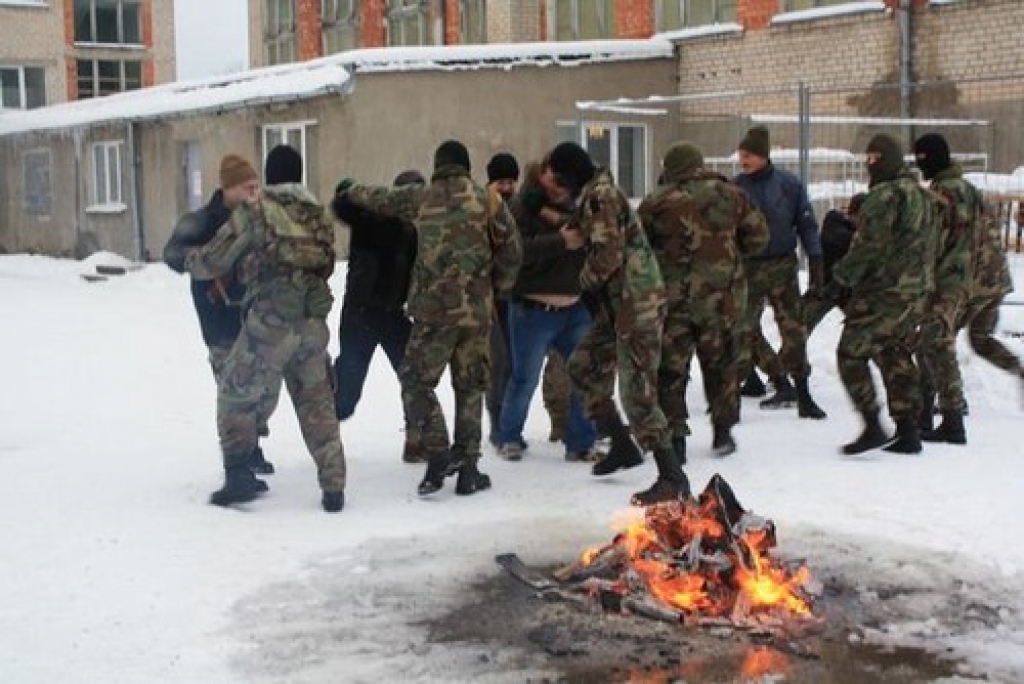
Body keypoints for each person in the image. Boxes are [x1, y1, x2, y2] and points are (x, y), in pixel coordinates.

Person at [339, 140, 522, 497]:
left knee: (415, 381)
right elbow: (512, 250)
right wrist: (495, 287)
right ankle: (469, 469)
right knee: (470, 387)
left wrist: (350, 190)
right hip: (475, 313)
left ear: (438, 166)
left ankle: (437, 450)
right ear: (466, 167)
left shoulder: (422, 197)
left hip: (434, 313)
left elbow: (382, 199)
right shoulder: (489, 201)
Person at [185, 145, 348, 512]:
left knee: (233, 393)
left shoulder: (256, 210)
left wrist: (190, 259)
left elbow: (215, 258)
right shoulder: (317, 214)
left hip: (269, 325)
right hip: (311, 323)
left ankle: (238, 474)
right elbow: (326, 265)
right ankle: (334, 486)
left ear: (269, 175)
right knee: (317, 403)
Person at [551, 142, 688, 506]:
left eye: (557, 175)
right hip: (619, 305)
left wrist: (581, 281)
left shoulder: (600, 197)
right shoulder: (594, 197)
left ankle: (672, 476)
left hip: (636, 304)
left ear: (569, 173)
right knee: (582, 365)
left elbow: (608, 254)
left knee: (636, 391)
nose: (554, 182)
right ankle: (622, 443)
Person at [640, 141, 769, 459]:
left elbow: (639, 247)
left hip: (675, 301)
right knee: (722, 363)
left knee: (671, 369)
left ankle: (676, 437)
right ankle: (723, 431)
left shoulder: (657, 201)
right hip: (721, 299)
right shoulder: (734, 195)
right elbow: (759, 238)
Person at [162, 154, 276, 476]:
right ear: (229, 188)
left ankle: (252, 445)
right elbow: (171, 255)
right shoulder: (202, 221)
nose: (255, 192)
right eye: (248, 186)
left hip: (255, 315)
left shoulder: (257, 217)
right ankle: (241, 459)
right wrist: (209, 262)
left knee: (261, 388)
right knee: (232, 391)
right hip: (218, 319)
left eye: (257, 186)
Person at [830, 134, 937, 455]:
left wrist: (841, 277)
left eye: (874, 159)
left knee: (850, 353)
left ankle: (873, 424)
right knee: (894, 352)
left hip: (885, 291)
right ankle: (908, 430)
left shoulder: (883, 197)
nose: (869, 165)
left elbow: (868, 247)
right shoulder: (923, 195)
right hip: (916, 291)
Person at [495, 151, 599, 463]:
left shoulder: (580, 205)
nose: (560, 190)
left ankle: (581, 440)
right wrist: (560, 242)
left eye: (568, 187)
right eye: (557, 182)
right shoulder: (518, 207)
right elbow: (513, 254)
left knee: (583, 374)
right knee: (524, 378)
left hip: (574, 307)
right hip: (532, 309)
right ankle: (509, 436)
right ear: (545, 171)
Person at [734, 126, 827, 420]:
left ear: (763, 156)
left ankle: (803, 393)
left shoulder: (788, 184)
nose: (742, 159)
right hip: (748, 268)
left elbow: (806, 224)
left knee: (793, 329)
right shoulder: (735, 188)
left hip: (782, 266)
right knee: (744, 328)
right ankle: (777, 377)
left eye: (748, 154)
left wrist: (816, 260)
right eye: (741, 154)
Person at [330, 169, 423, 462]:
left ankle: (416, 441)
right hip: (360, 315)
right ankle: (326, 392)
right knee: (345, 401)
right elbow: (341, 205)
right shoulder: (370, 220)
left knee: (415, 379)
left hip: (394, 317)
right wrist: (352, 189)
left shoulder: (416, 233)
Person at [912, 133, 978, 444]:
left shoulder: (941, 193)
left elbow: (931, 242)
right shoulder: (968, 189)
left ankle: (952, 422)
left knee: (936, 345)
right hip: (960, 278)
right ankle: (925, 414)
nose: (919, 165)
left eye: (922, 158)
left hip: (942, 280)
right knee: (930, 343)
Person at [802, 193, 867, 334]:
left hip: (849, 290)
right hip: (825, 286)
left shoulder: (861, 232)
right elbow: (844, 240)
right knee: (799, 329)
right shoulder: (834, 221)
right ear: (852, 214)